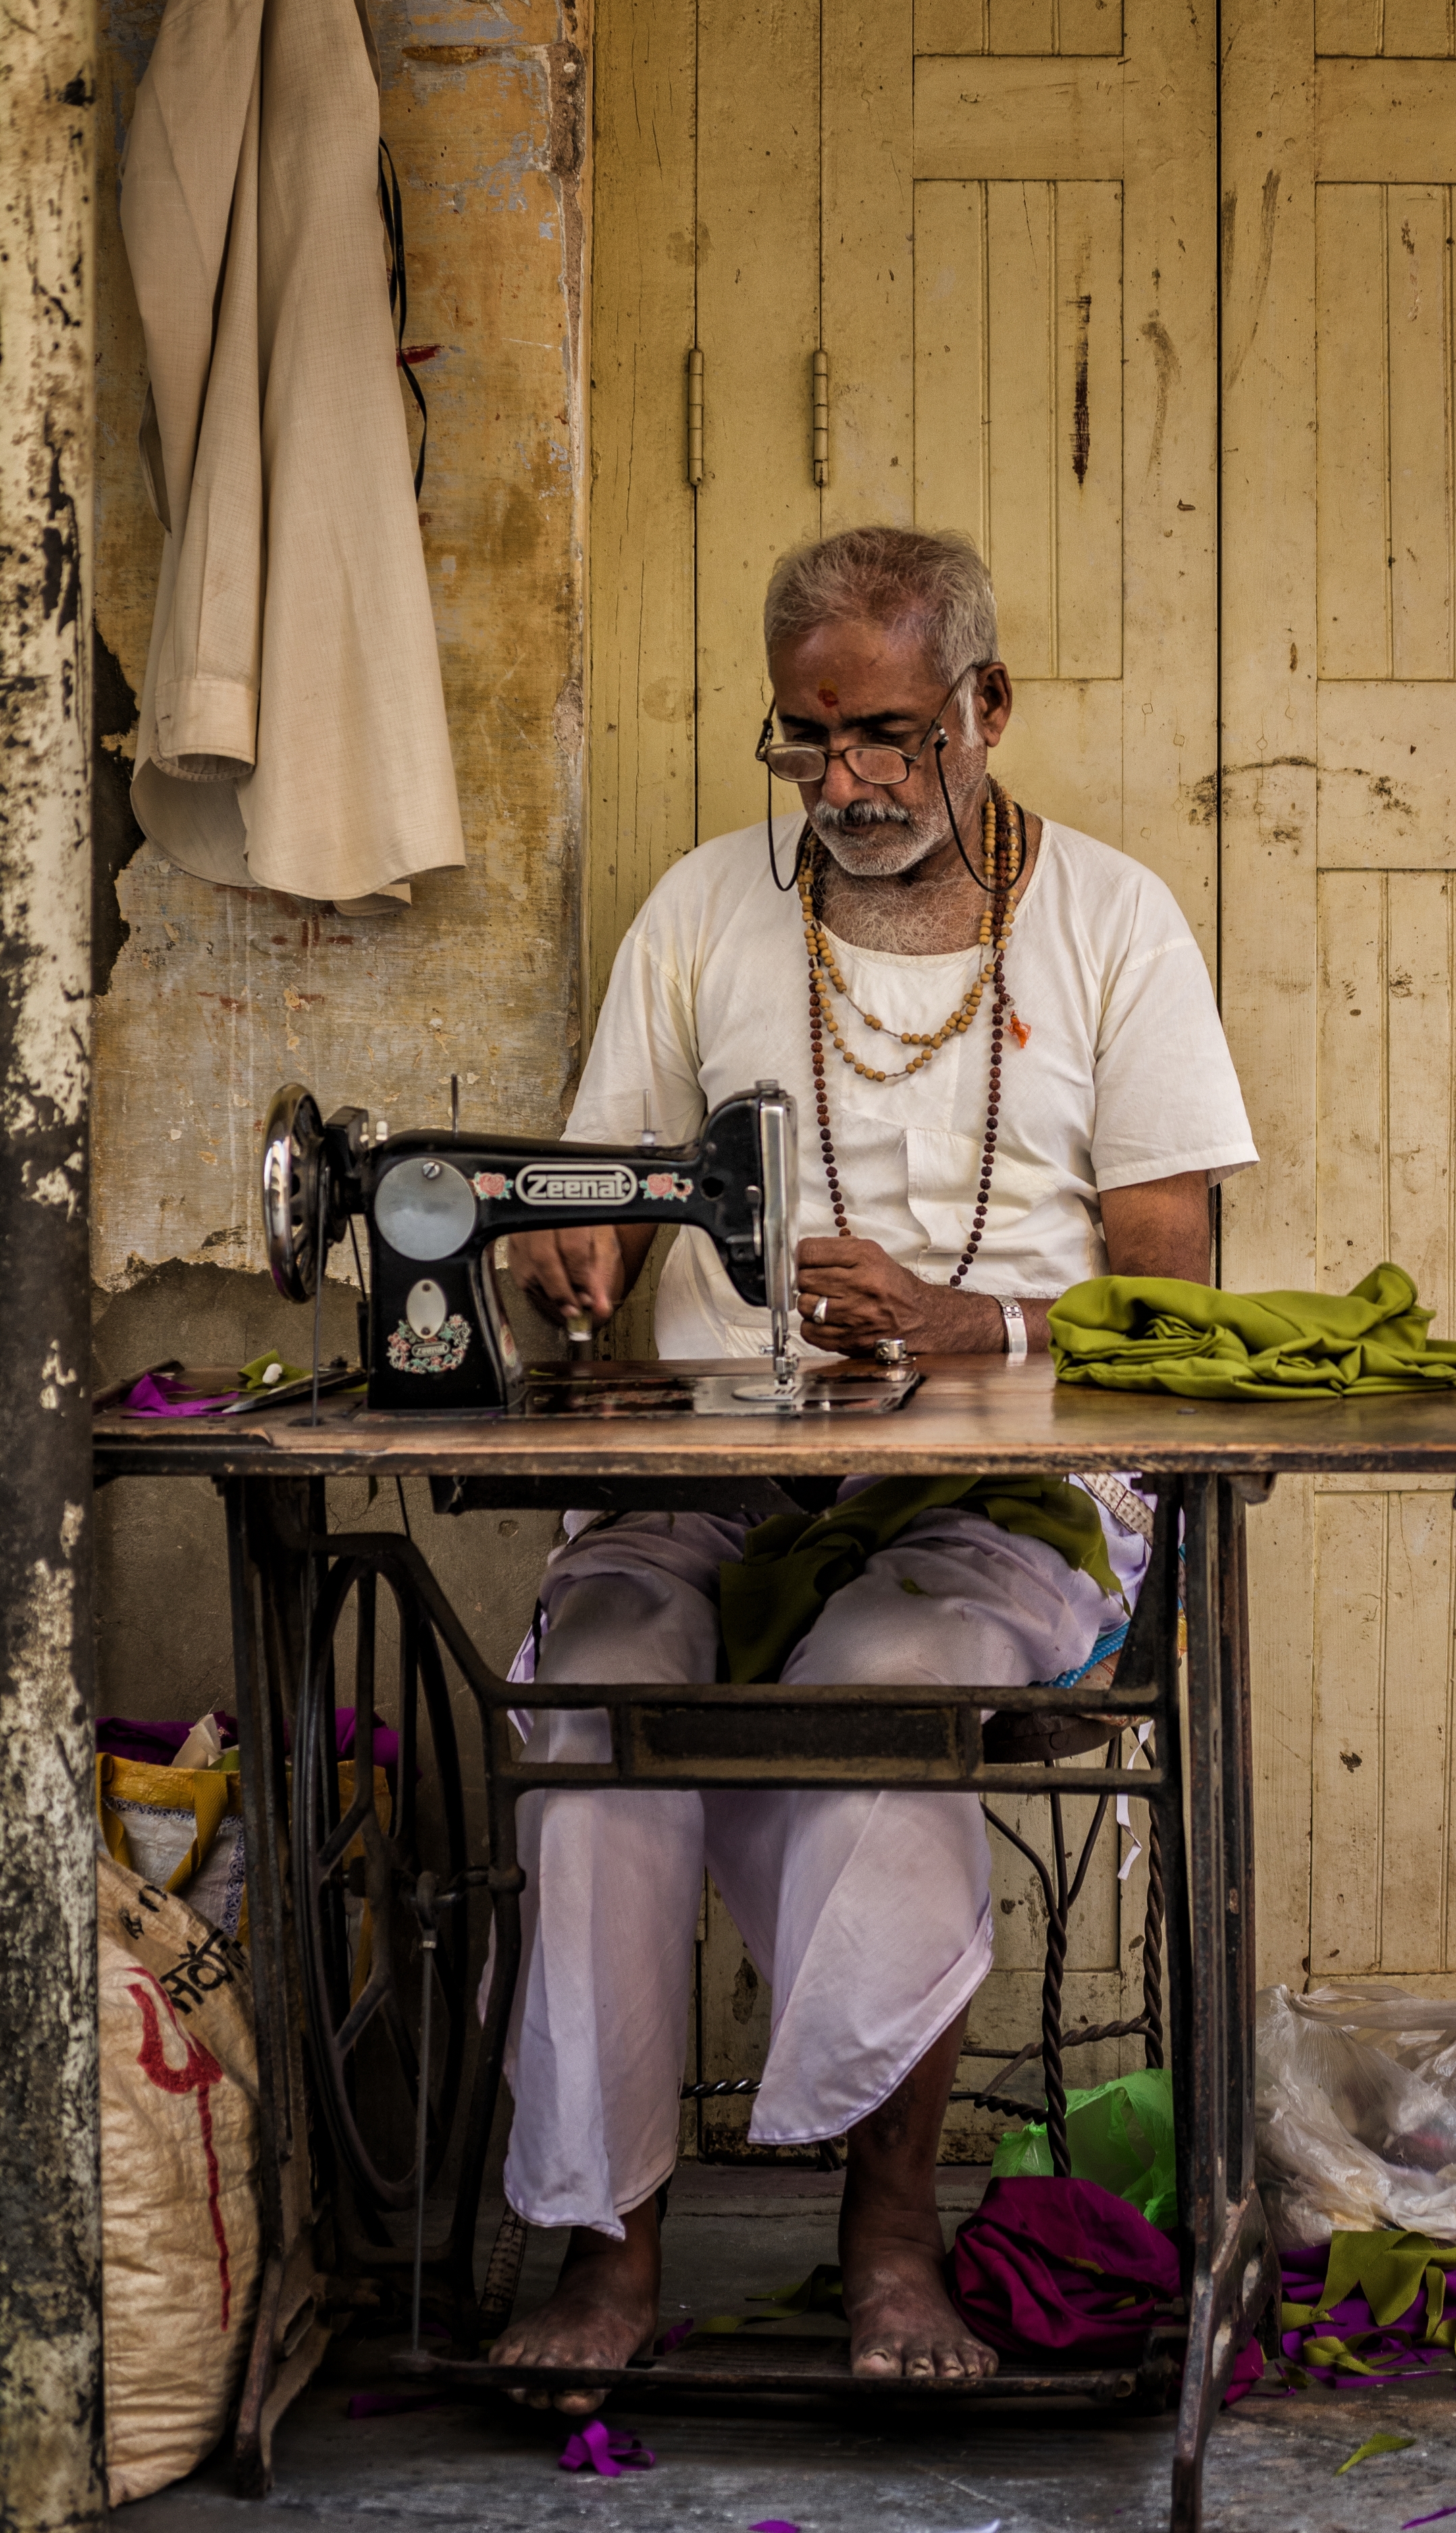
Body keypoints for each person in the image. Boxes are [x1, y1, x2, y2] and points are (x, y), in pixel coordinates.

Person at [490, 525, 1256, 2401]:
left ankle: (887, 2230)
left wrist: (970, 1329)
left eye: (890, 739)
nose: (844, 787)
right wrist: (567, 1265)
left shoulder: (1109, 921)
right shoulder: (699, 910)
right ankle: (609, 2234)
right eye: (805, 744)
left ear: (987, 710)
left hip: (1000, 1502)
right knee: (594, 1699)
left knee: (883, 1688)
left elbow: (1179, 1299)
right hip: (711, 1481)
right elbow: (585, 1199)